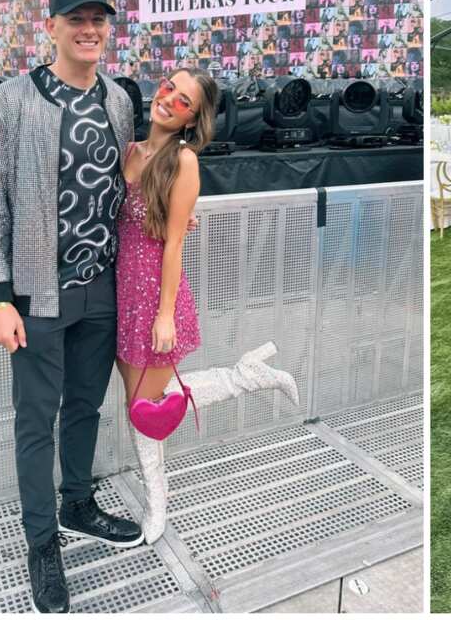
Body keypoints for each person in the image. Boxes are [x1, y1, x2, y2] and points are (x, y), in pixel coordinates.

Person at [0, 0, 141, 613]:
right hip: (36, 294)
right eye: (77, 18)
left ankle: (78, 503)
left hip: (101, 284)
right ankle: (41, 544)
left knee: (84, 407)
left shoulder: (118, 100)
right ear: (51, 27)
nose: (90, 29)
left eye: (99, 18)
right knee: (34, 421)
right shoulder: (11, 101)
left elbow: (126, 188)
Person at [116, 67, 299, 545]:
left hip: (154, 294)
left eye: (183, 100)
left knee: (141, 409)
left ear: (193, 118)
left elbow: (174, 245)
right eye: (168, 87)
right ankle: (248, 374)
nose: (169, 99)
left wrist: (164, 313)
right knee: (142, 404)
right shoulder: (130, 152)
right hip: (121, 295)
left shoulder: (183, 161)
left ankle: (157, 506)